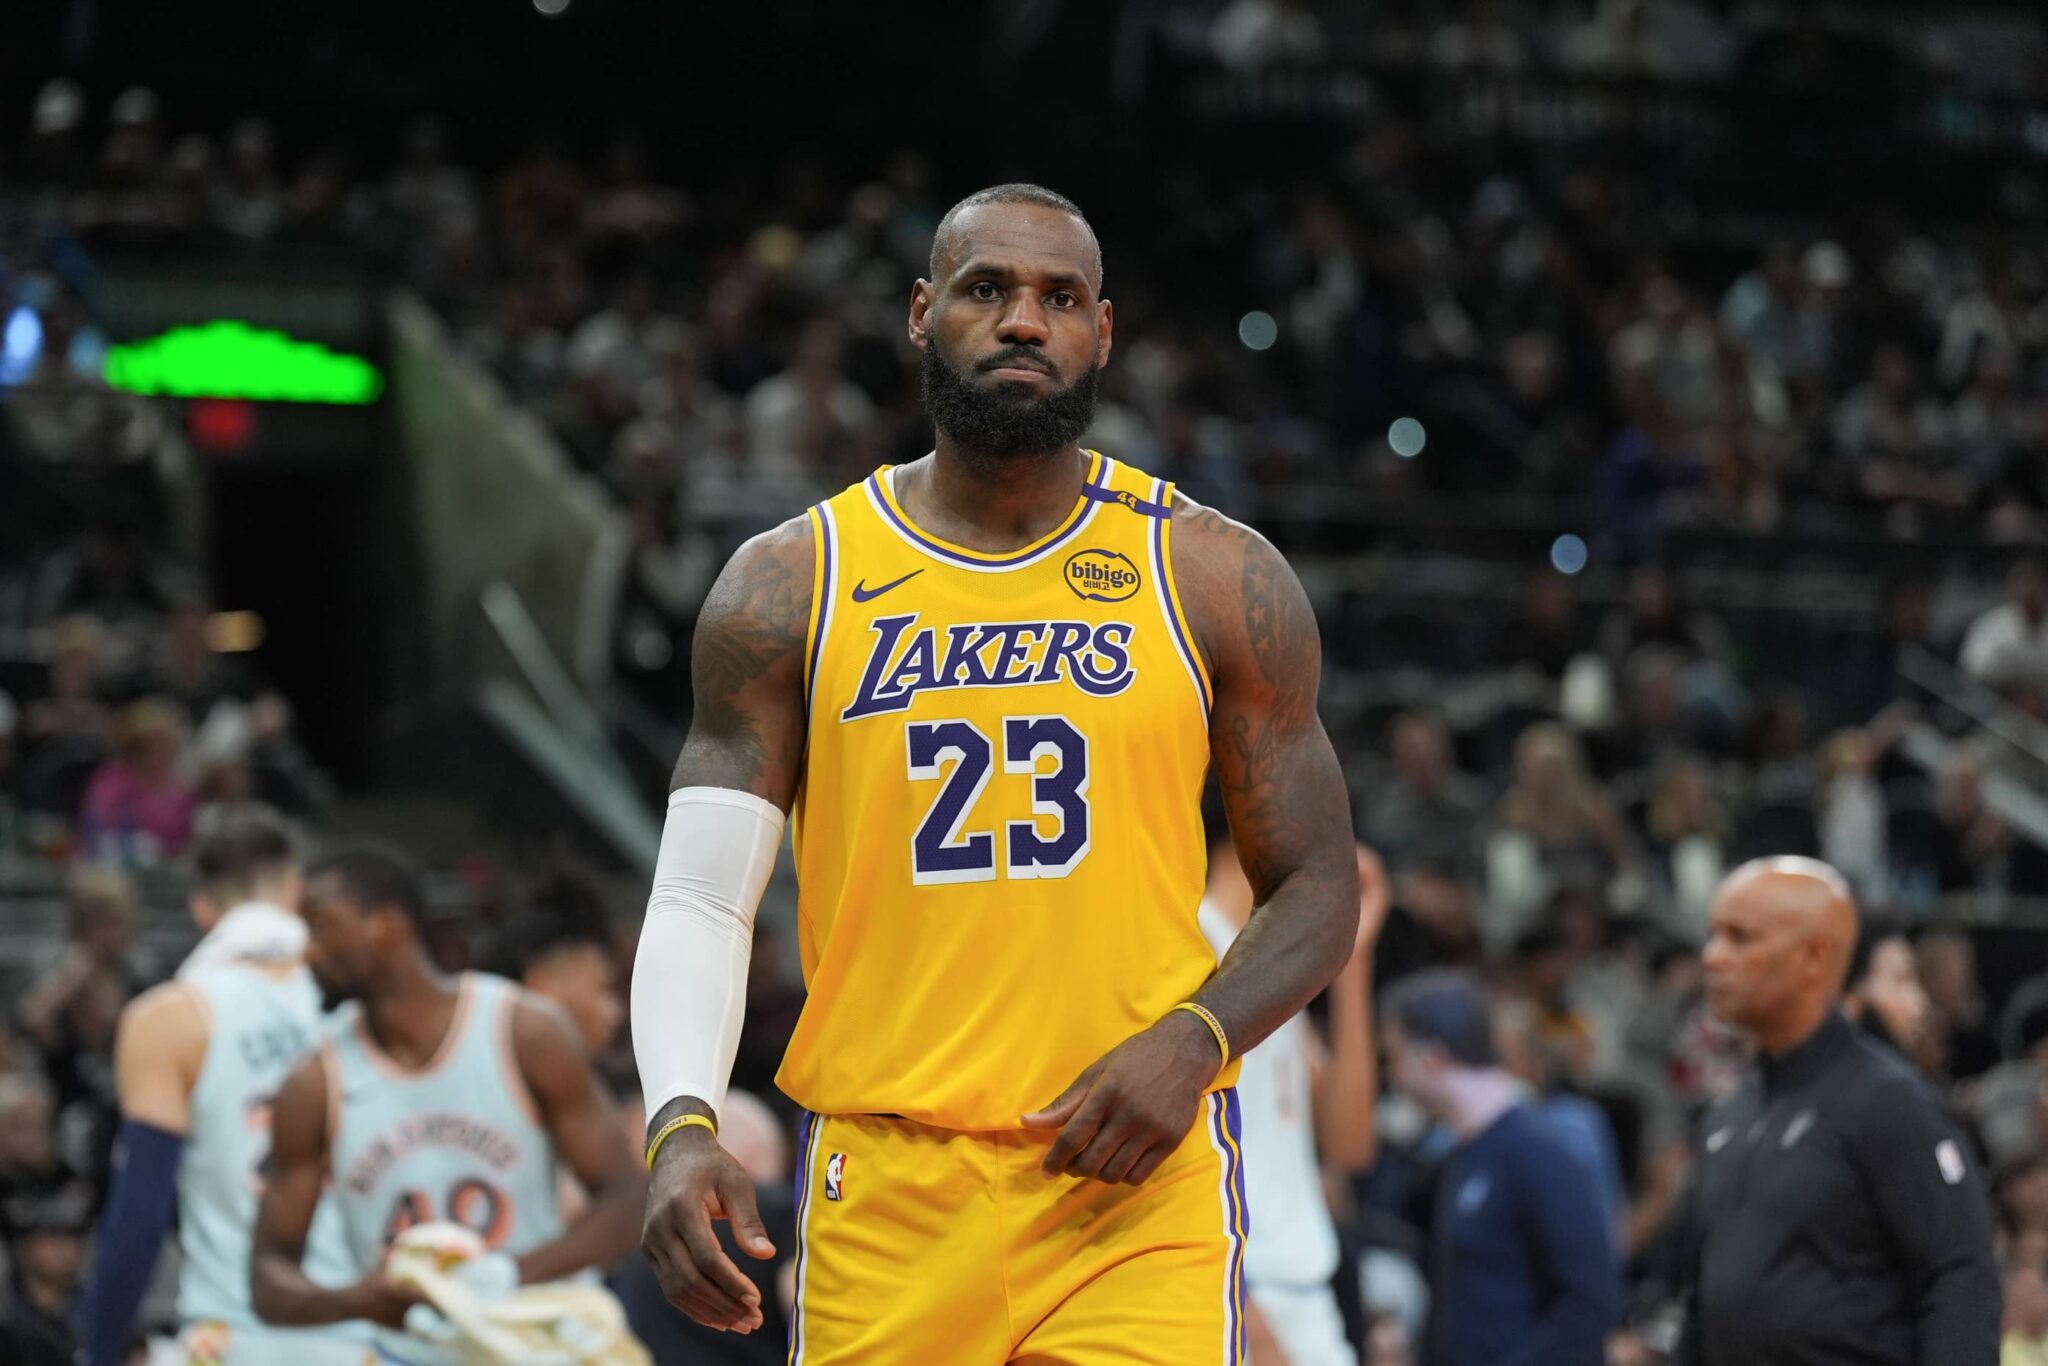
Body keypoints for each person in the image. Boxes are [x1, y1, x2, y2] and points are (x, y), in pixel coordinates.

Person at [632, 182, 1360, 1363]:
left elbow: (1319, 882)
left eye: (1058, 297)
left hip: (1131, 1182)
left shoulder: (1214, 574)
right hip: (886, 1180)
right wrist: (678, 1120)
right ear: (922, 313)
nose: (1023, 320)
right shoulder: (788, 583)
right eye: (986, 289)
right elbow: (702, 897)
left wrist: (1195, 1037)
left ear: (1101, 333)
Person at [251, 842, 646, 1362]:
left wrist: (505, 1278)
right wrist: (358, 1300)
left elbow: (629, 1201)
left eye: (323, 926)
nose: (307, 952)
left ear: (388, 925)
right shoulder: (313, 1081)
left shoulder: (522, 1030)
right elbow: (268, 1279)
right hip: (407, 1353)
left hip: (536, 1342)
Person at [1676, 857, 2001, 1365]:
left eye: (1739, 938)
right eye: (1713, 935)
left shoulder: (1888, 1102)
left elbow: (1960, 1272)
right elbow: (1710, 1298)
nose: (1712, 957)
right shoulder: (1728, 1118)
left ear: (1815, 956)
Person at [75, 805, 364, 1366]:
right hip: (364, 1335)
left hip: (235, 1337)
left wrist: (100, 1350)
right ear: (297, 887)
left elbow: (139, 1215)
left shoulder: (169, 1019)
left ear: (202, 908)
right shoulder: (363, 1000)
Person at [1200, 839, 1386, 1366]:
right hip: (1238, 1296)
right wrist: (1247, 1320)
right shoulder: (1196, 943)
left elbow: (1350, 1146)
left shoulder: (1270, 954)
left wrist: (1352, 958)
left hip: (1304, 1296)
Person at [1381, 970, 1622, 1366]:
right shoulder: (1457, 1157)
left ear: (1431, 1059)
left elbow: (1590, 1302)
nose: (1392, 1076)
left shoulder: (1540, 1151)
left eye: (1393, 1057)